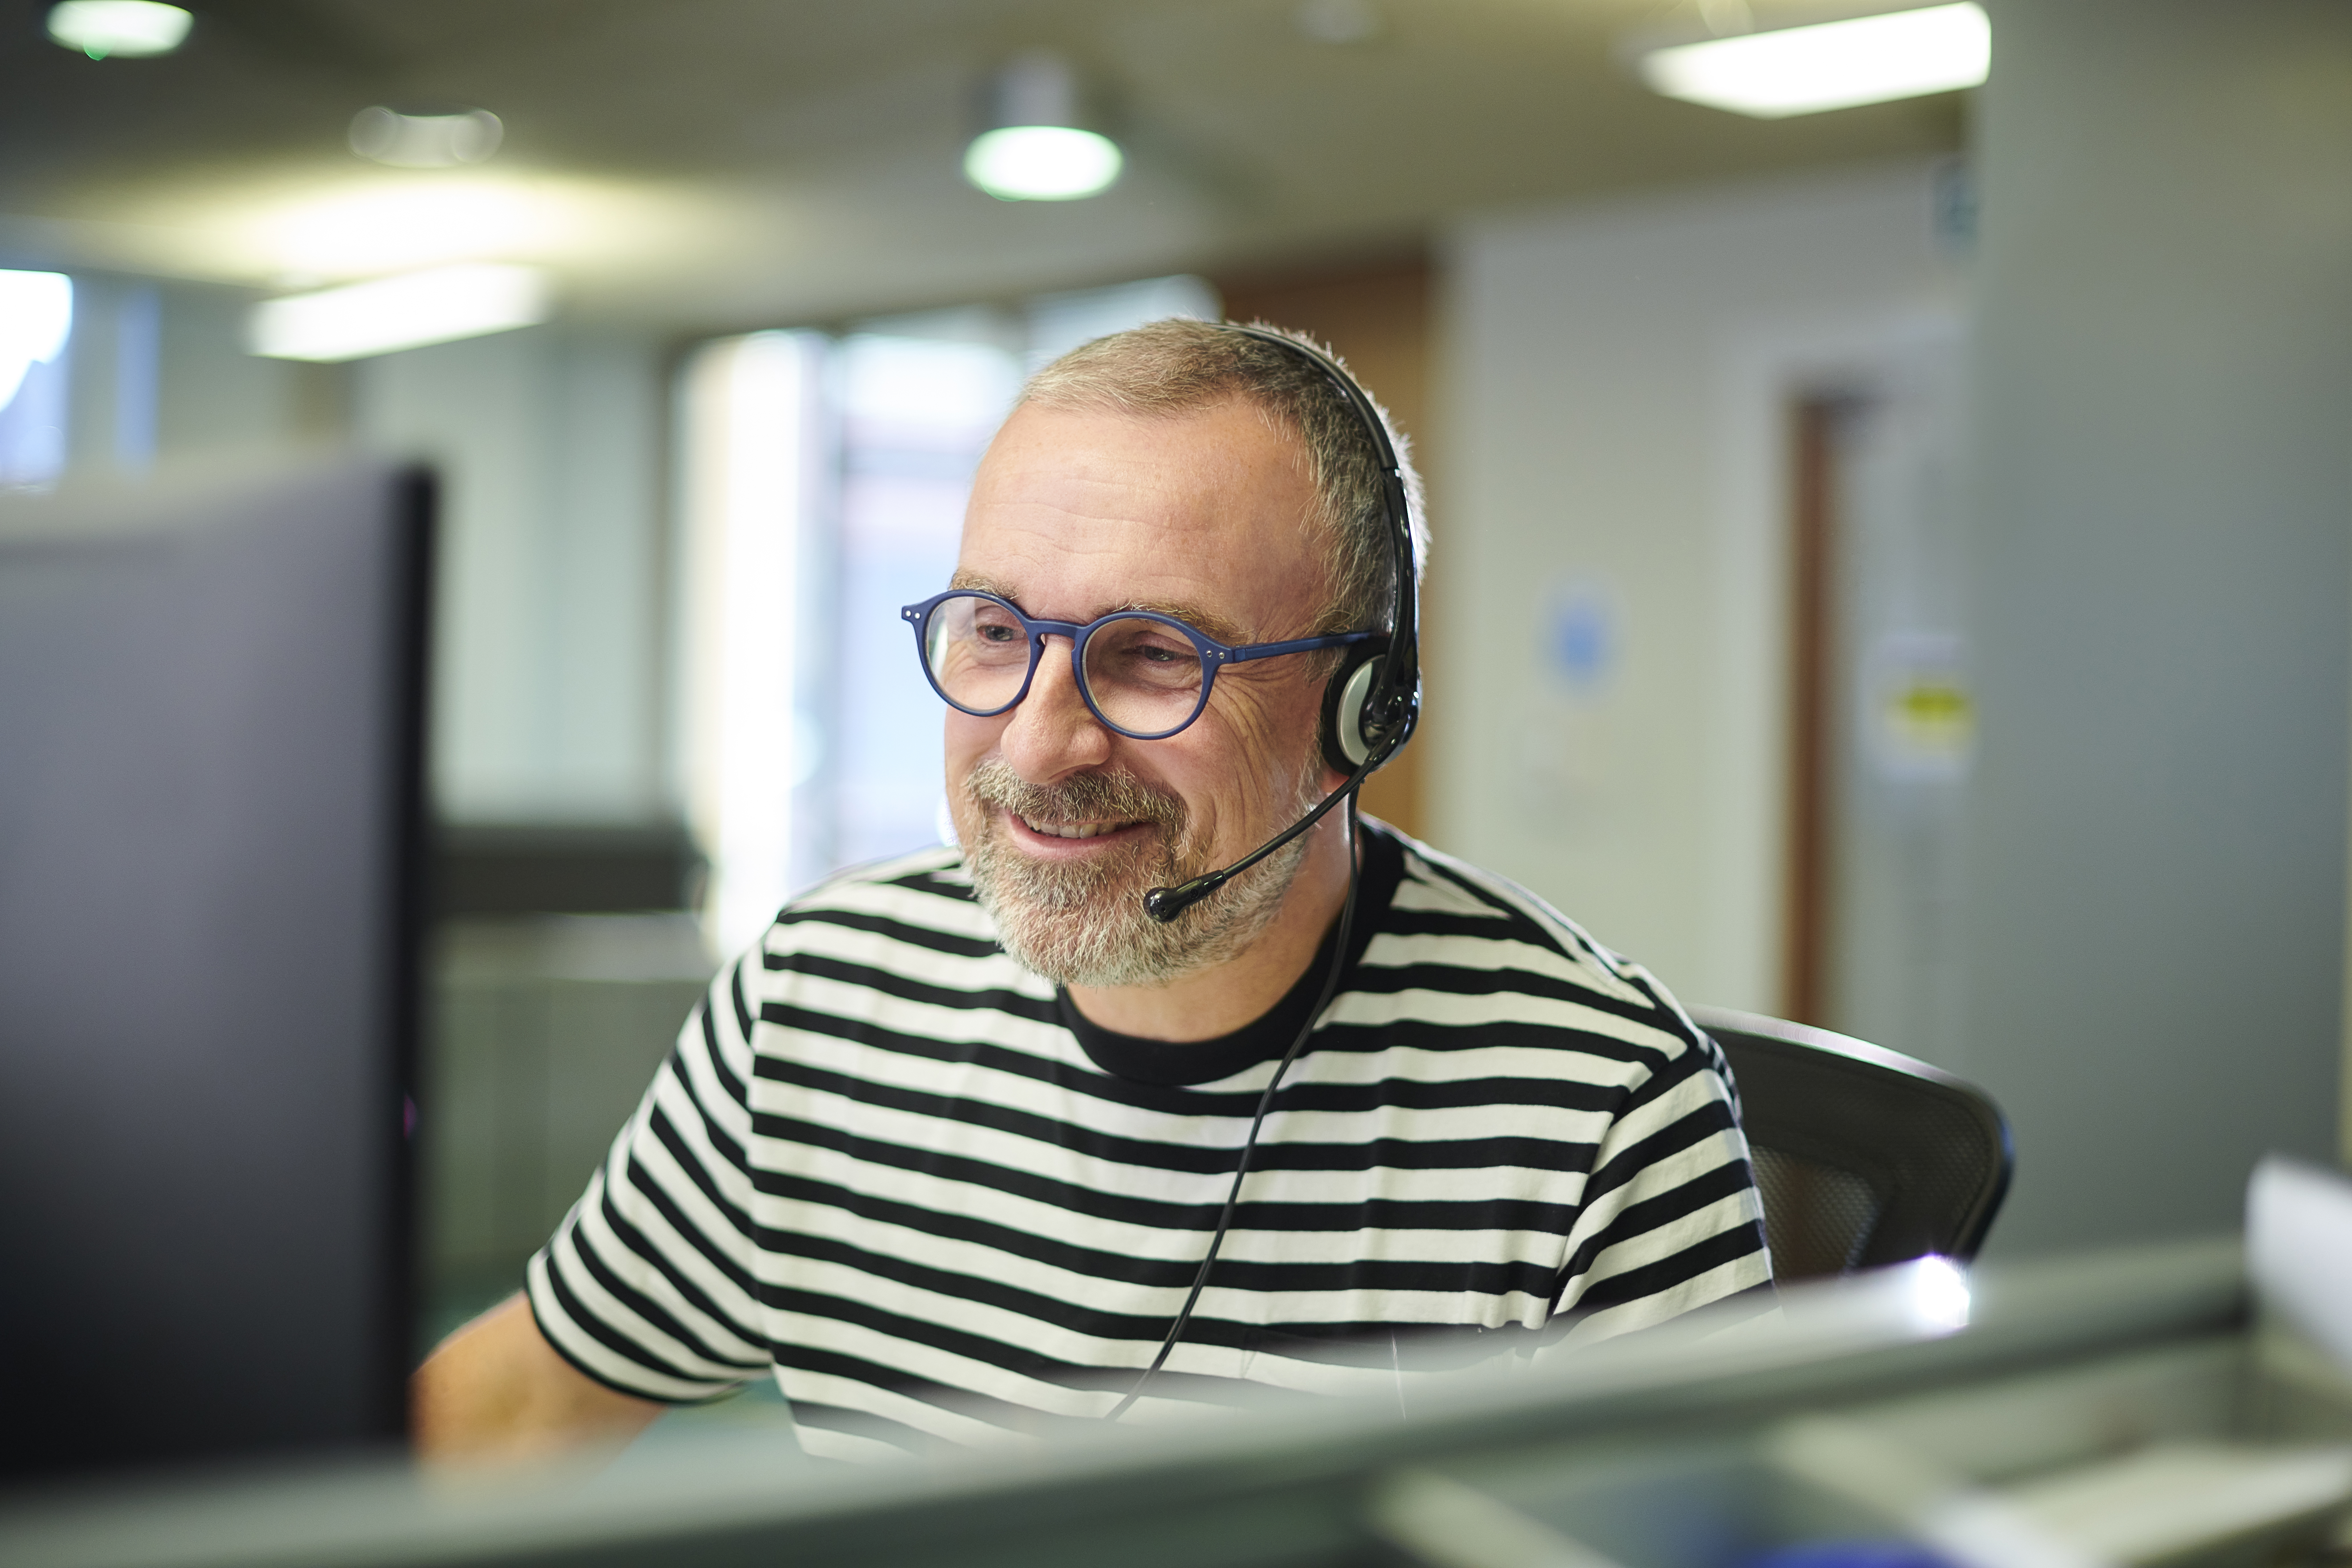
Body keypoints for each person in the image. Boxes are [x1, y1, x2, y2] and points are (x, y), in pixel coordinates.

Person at [414, 319, 1771, 1465]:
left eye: (1150, 654)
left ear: (1364, 707)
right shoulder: (823, 994)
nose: (1037, 742)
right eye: (996, 632)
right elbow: (528, 1396)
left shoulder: (1601, 1118)